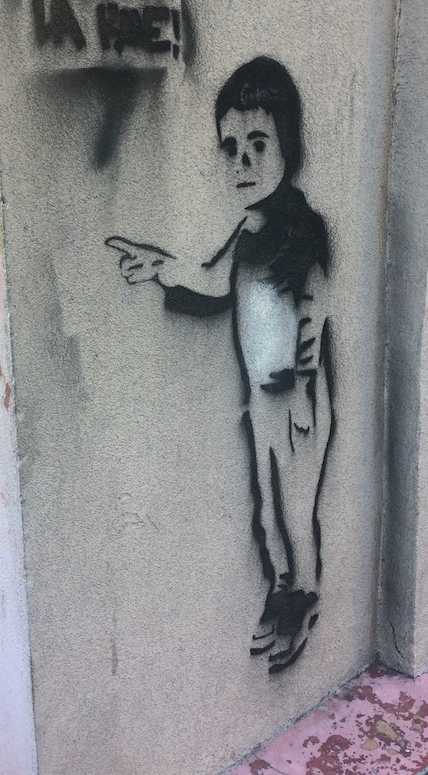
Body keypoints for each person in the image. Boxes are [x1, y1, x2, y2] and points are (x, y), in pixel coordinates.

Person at [107, 55, 335, 673]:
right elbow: (212, 280)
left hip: (297, 403)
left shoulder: (303, 228)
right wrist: (160, 266)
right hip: (262, 402)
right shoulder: (248, 233)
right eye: (230, 148)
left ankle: (304, 597)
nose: (243, 162)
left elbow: (316, 308)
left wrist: (304, 390)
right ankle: (281, 590)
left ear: (289, 146)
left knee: (296, 509)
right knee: (267, 509)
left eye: (259, 144)